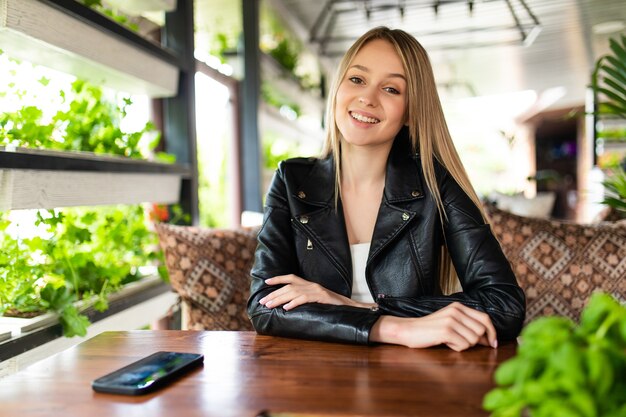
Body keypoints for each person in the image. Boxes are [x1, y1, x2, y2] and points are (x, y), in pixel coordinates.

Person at [247, 26, 525, 352]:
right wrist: (396, 329)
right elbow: (264, 306)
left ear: (410, 110)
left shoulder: (436, 182)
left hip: (412, 377)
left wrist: (355, 308)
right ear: (338, 89)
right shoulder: (292, 180)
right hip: (317, 373)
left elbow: (504, 306)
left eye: (391, 89)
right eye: (357, 79)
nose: (367, 97)